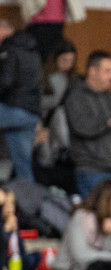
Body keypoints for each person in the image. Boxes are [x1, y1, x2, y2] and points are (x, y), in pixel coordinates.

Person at [65, 49, 111, 198]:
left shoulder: (109, 97)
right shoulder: (76, 97)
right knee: (95, 218)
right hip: (92, 170)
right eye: (107, 71)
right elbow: (82, 127)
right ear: (92, 71)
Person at [0, 19, 42, 181]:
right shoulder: (32, 51)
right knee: (23, 166)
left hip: (14, 108)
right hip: (31, 113)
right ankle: (29, 202)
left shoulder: (9, 48)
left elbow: (5, 81)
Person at [39, 37, 75, 117]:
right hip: (45, 117)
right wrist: (58, 100)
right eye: (64, 60)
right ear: (55, 58)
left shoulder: (73, 77)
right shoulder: (44, 75)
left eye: (71, 61)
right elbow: (37, 101)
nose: (67, 65)